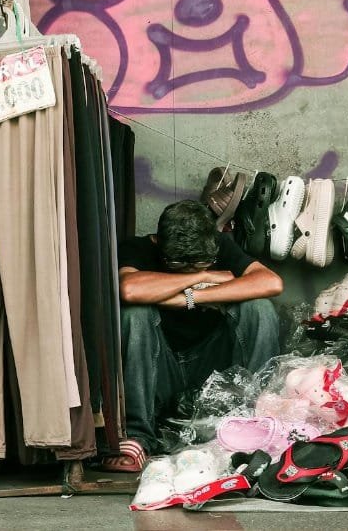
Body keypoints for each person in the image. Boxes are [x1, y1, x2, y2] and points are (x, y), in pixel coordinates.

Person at [102, 200, 283, 472]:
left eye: (199, 263)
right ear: (159, 244)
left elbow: (271, 282)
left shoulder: (221, 245)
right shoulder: (137, 248)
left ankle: (259, 424)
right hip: (161, 367)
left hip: (212, 367)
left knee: (259, 308)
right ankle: (138, 435)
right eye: (178, 265)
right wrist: (203, 275)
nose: (189, 269)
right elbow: (130, 290)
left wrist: (191, 297)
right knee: (134, 314)